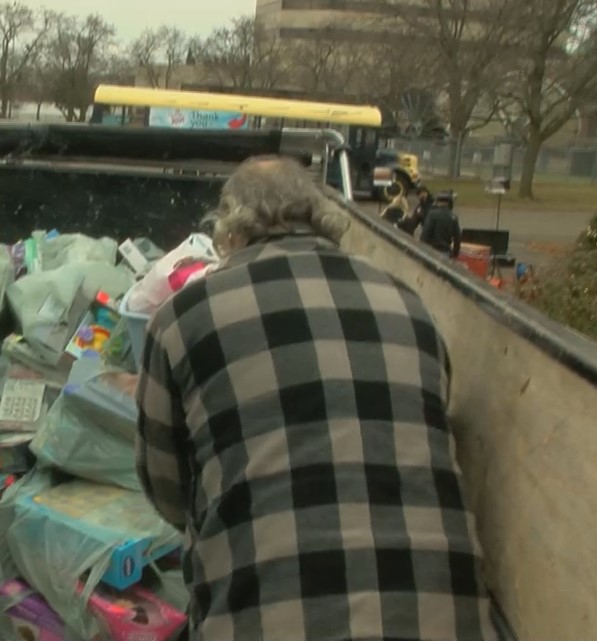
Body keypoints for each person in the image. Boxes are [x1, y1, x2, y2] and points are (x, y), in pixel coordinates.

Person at [134, 156, 497, 641]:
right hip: (447, 622)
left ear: (228, 227)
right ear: (321, 215)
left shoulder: (184, 317)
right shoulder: (410, 306)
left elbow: (169, 493)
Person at [420, 190, 462, 258]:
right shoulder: (453, 217)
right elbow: (457, 238)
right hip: (445, 252)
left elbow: (425, 234)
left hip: (432, 251)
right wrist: (455, 253)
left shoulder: (432, 214)